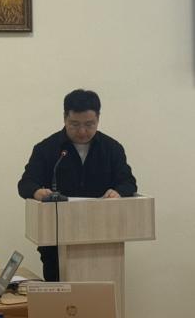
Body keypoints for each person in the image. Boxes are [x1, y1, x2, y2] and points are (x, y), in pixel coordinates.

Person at [17, 89, 137, 281]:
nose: (82, 131)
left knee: (100, 298)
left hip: (103, 240)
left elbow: (128, 182)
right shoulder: (46, 148)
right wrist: (37, 192)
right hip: (56, 243)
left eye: (89, 124)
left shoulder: (112, 149)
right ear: (65, 118)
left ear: (98, 119)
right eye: (75, 124)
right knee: (60, 297)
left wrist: (118, 192)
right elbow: (25, 183)